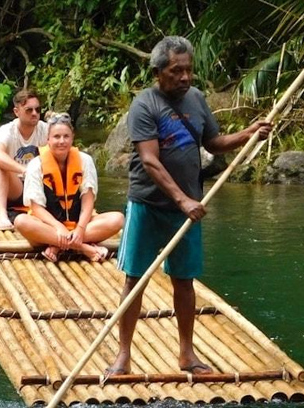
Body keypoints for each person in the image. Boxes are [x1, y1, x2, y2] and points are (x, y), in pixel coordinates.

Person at [106, 36, 271, 377]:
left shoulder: (196, 99)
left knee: (185, 281)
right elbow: (150, 160)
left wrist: (248, 134)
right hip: (149, 204)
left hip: (188, 206)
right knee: (134, 279)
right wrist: (181, 199)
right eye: (176, 71)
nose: (184, 77)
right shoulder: (144, 106)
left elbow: (213, 142)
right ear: (158, 72)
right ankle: (123, 356)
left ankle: (186, 354)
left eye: (188, 70)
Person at [14, 113, 125, 262]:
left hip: (79, 225)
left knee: (117, 219)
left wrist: (79, 229)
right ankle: (83, 247)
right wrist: (59, 227)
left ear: (72, 138)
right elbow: (36, 208)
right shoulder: (36, 165)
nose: (62, 141)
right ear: (48, 139)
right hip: (48, 226)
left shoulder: (85, 160)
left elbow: (88, 200)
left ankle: (57, 246)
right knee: (21, 222)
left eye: (66, 136)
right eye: (56, 136)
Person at [0, 89, 49, 230]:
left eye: (37, 109)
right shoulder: (6, 131)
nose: (34, 113)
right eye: (29, 110)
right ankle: (2, 215)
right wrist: (25, 170)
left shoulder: (46, 130)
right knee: (0, 165)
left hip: (40, 185)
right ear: (17, 112)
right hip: (17, 186)